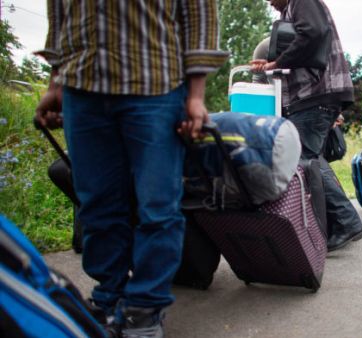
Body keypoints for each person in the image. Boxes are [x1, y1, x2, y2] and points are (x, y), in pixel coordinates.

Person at [35, 1, 228, 337]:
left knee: (158, 206)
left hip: (156, 85)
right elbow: (59, 13)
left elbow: (198, 14)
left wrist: (195, 94)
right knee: (96, 204)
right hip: (82, 87)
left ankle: (145, 309)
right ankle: (108, 299)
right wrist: (55, 84)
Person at [252, 0, 362, 252]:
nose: (269, 3)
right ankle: (338, 222)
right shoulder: (290, 9)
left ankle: (346, 222)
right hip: (314, 94)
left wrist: (276, 63)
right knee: (307, 157)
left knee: (304, 158)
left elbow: (313, 33)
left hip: (317, 92)